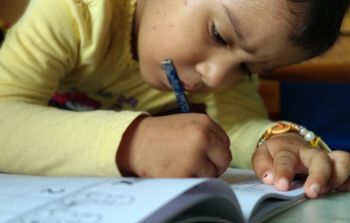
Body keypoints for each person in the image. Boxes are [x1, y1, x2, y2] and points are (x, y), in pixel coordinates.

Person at [0, 0, 349, 199]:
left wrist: (276, 141)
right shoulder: (75, 11)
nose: (216, 77)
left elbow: (236, 125)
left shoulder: (219, 70)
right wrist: (132, 143)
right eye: (218, 35)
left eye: (247, 68)